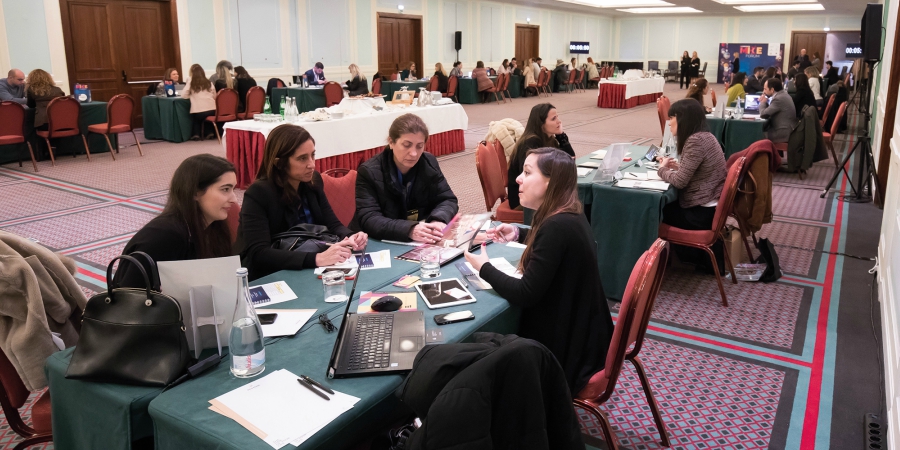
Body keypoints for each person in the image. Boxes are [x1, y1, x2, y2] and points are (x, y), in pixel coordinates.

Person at [464, 147, 614, 393]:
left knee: (476, 350)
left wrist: (484, 268)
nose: (517, 179)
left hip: (565, 353)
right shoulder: (568, 213)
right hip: (586, 337)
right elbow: (553, 246)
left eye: (527, 172)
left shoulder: (556, 226)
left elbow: (525, 293)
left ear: (549, 182)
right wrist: (518, 232)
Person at [238, 124, 368, 281]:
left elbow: (333, 224)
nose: (312, 164)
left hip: (310, 268)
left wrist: (352, 236)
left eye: (312, 155)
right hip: (274, 274)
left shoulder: (313, 181)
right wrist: (317, 258)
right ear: (279, 163)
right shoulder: (258, 193)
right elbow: (259, 253)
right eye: (302, 158)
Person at [116, 154, 237, 288]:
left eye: (233, 189)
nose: (234, 199)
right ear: (195, 192)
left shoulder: (213, 227)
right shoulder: (163, 236)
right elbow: (129, 294)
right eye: (225, 189)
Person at [355, 113, 458, 243]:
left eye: (419, 146)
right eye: (406, 145)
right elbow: (369, 219)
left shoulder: (428, 162)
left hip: (420, 239)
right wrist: (410, 229)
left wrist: (438, 220)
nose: (414, 153)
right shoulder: (369, 171)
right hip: (381, 241)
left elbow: (447, 199)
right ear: (391, 142)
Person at [657, 99, 727, 274]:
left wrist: (662, 170)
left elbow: (680, 181)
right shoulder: (706, 137)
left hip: (700, 214)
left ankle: (653, 266)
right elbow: (700, 170)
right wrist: (679, 167)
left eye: (671, 118)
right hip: (709, 207)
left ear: (682, 119)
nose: (669, 123)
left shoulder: (695, 141)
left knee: (653, 210)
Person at [507, 103, 574, 210]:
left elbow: (570, 161)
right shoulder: (530, 143)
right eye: (553, 119)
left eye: (557, 117)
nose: (559, 121)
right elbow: (528, 176)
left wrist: (561, 136)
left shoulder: (550, 140)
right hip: (523, 197)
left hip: (540, 191)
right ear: (541, 124)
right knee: (568, 203)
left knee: (570, 199)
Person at [181, 64, 217, 141]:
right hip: (212, 110)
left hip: (199, 111)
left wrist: (191, 96)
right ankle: (209, 132)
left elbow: (183, 95)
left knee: (196, 119)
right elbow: (215, 96)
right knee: (207, 117)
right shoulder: (209, 82)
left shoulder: (191, 82)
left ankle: (196, 134)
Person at [759, 78, 797, 143]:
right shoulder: (783, 95)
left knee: (757, 135)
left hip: (782, 133)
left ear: (772, 90)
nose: (763, 92)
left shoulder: (778, 99)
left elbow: (763, 114)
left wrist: (762, 102)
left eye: (765, 89)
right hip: (787, 130)